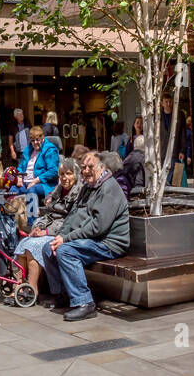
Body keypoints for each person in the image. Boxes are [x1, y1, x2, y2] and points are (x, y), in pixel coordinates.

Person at [39, 151, 130, 321]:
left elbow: (98, 227)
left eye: (90, 167)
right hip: (93, 239)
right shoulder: (88, 187)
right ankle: (62, 295)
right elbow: (75, 215)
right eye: (83, 168)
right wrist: (60, 236)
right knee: (48, 248)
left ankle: (85, 303)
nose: (86, 171)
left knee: (65, 251)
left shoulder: (109, 189)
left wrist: (66, 239)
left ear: (102, 167)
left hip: (109, 243)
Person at [12, 159, 83, 305]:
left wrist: (46, 232)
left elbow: (71, 221)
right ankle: (18, 286)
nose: (64, 178)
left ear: (75, 175)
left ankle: (32, 291)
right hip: (50, 230)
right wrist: (38, 227)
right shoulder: (58, 190)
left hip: (64, 234)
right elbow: (49, 214)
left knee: (33, 247)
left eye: (68, 174)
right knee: (24, 244)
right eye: (62, 174)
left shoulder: (79, 193)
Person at [14, 125, 59, 220]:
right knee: (12, 190)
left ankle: (32, 223)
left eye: (37, 140)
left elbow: (53, 171)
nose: (35, 143)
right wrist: (19, 176)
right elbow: (21, 166)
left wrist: (35, 181)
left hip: (43, 183)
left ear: (42, 138)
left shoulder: (49, 149)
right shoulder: (28, 149)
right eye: (32, 140)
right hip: (26, 182)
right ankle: (12, 223)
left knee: (32, 190)